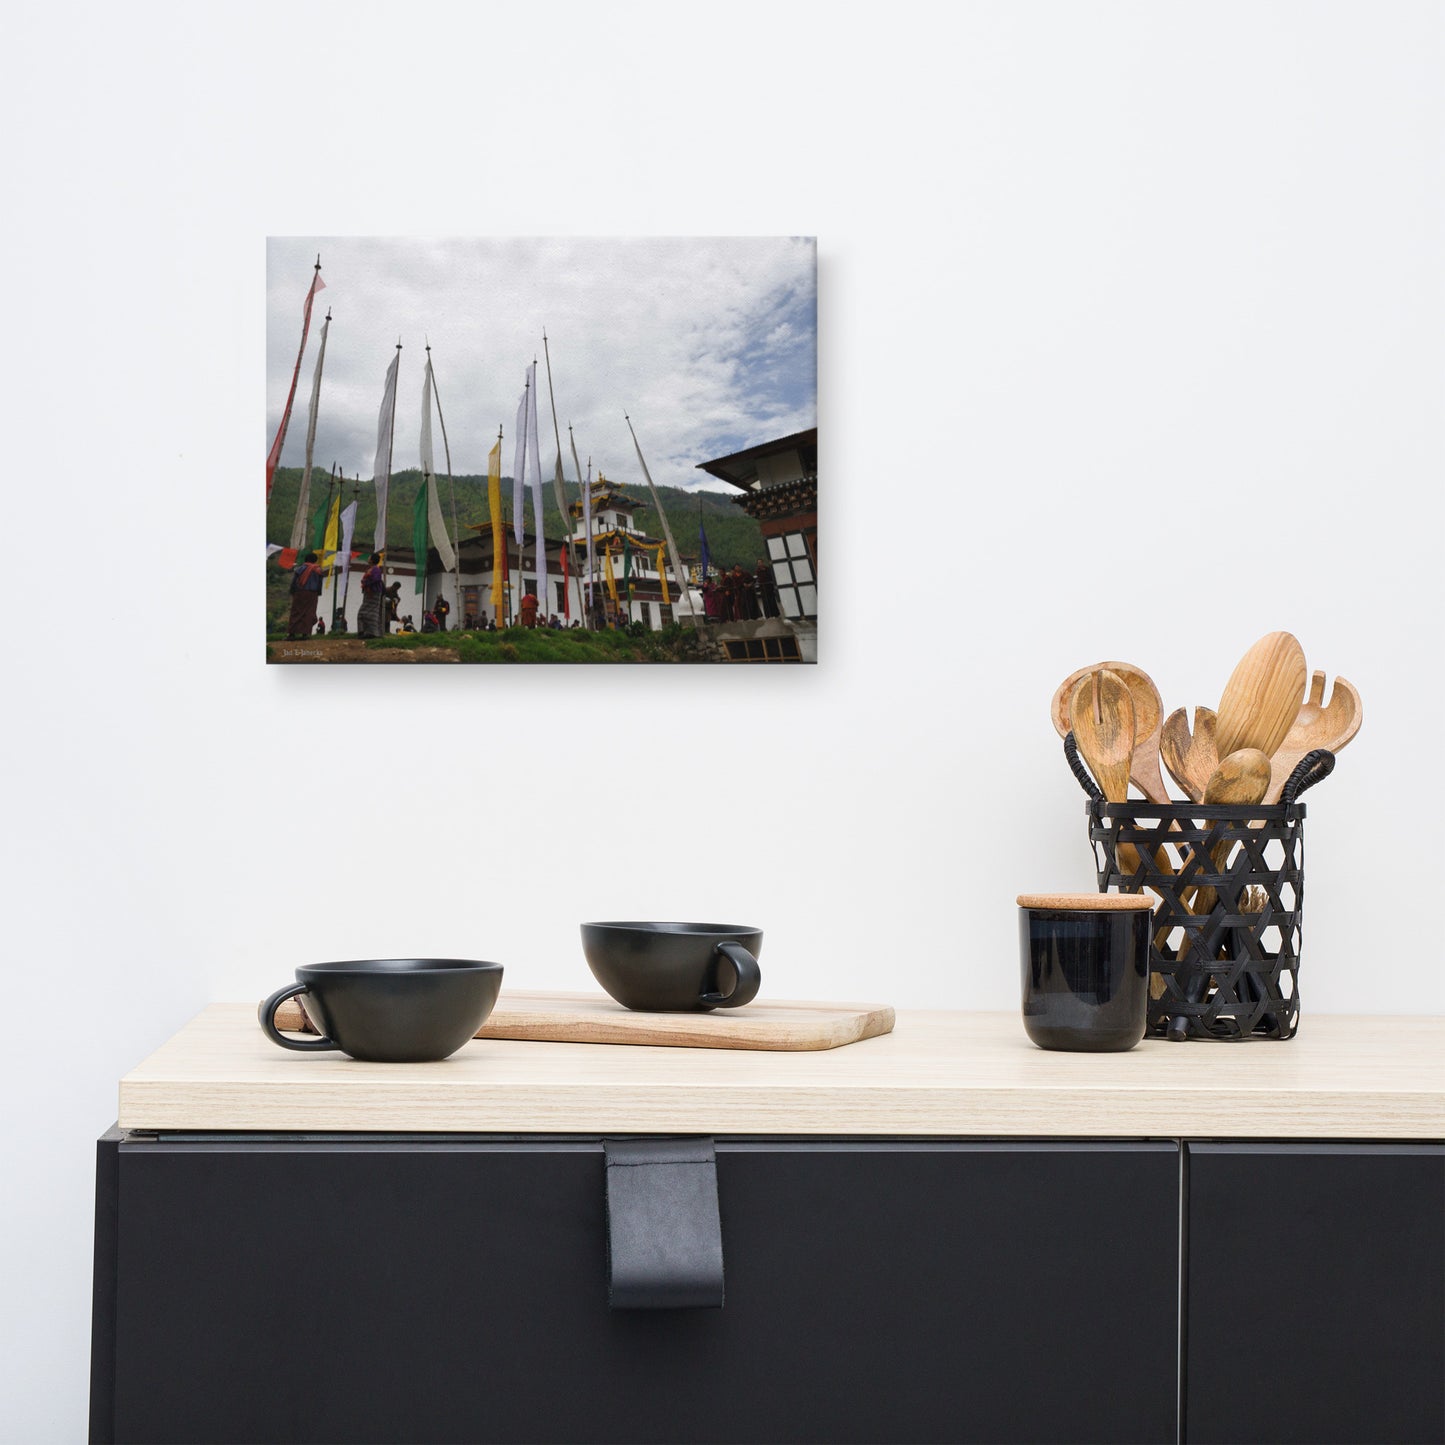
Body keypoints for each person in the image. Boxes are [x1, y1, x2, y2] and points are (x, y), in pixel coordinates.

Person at [286, 551, 323, 639]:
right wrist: (318, 593)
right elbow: (319, 583)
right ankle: (305, 634)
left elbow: (294, 581)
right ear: (315, 561)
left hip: (300, 592)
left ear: (306, 560)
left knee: (296, 612)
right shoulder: (318, 570)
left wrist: (292, 591)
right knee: (309, 613)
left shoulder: (300, 569)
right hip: (312, 594)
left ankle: (292, 634)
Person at [358, 554, 386, 638]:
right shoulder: (371, 569)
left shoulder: (376, 569)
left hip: (374, 593)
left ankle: (372, 633)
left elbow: (376, 579)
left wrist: (365, 582)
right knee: (364, 613)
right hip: (369, 593)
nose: (368, 558)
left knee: (370, 614)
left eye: (369, 557)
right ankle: (366, 632)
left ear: (372, 560)